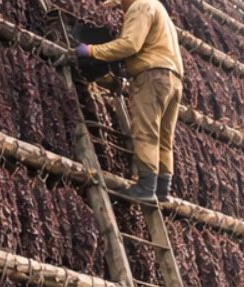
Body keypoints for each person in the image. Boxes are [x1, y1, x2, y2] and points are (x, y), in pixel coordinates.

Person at [75, 0, 184, 205]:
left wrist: (91, 51)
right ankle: (162, 189)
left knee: (146, 131)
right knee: (164, 137)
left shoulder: (140, 6)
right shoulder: (159, 10)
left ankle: (145, 188)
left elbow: (130, 44)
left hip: (152, 75)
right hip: (174, 80)